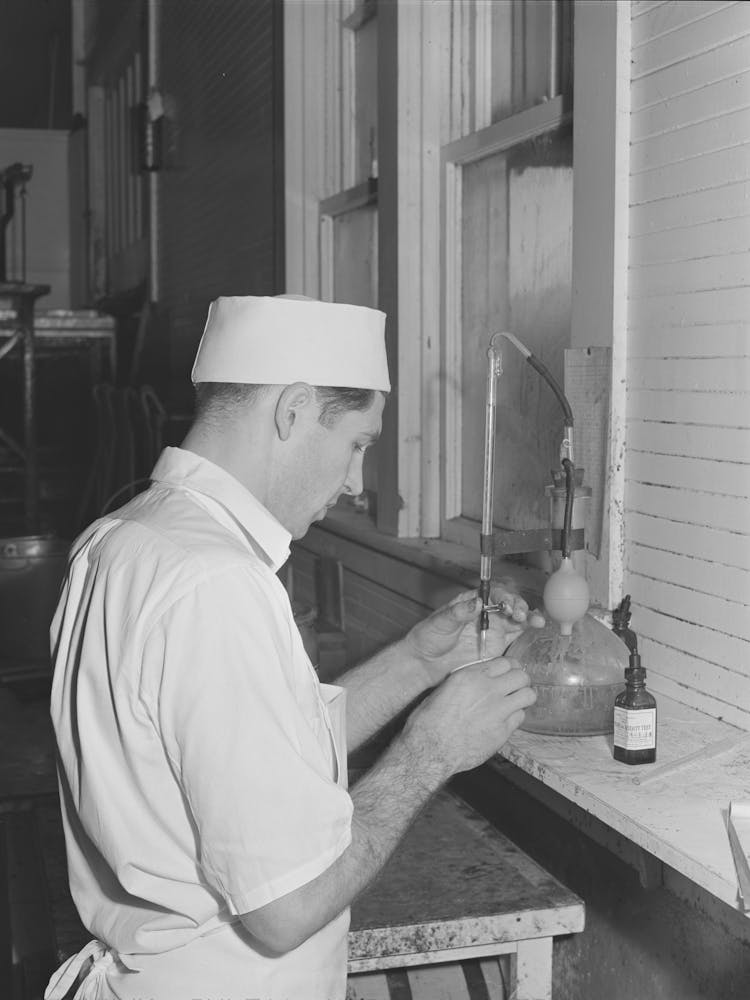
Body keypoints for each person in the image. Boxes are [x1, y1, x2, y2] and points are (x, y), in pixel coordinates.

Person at [45, 295, 537, 1000]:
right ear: (294, 410)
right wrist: (433, 749)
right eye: (358, 444)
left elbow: (254, 754)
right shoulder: (217, 583)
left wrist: (419, 661)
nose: (354, 480)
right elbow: (287, 909)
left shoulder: (123, 538)